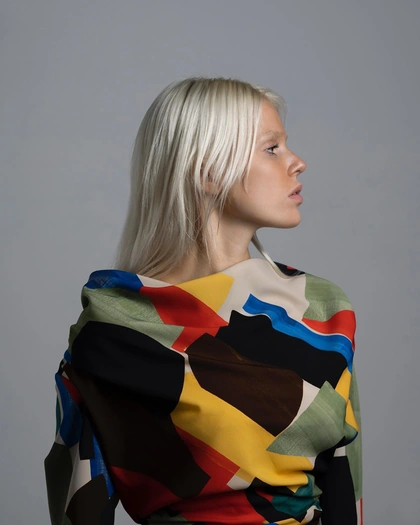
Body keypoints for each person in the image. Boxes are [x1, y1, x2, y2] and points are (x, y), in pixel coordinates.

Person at [44, 77, 362, 525]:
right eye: (272, 148)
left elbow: (345, 487)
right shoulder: (111, 331)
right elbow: (80, 507)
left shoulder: (322, 310)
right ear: (208, 172)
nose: (298, 162)